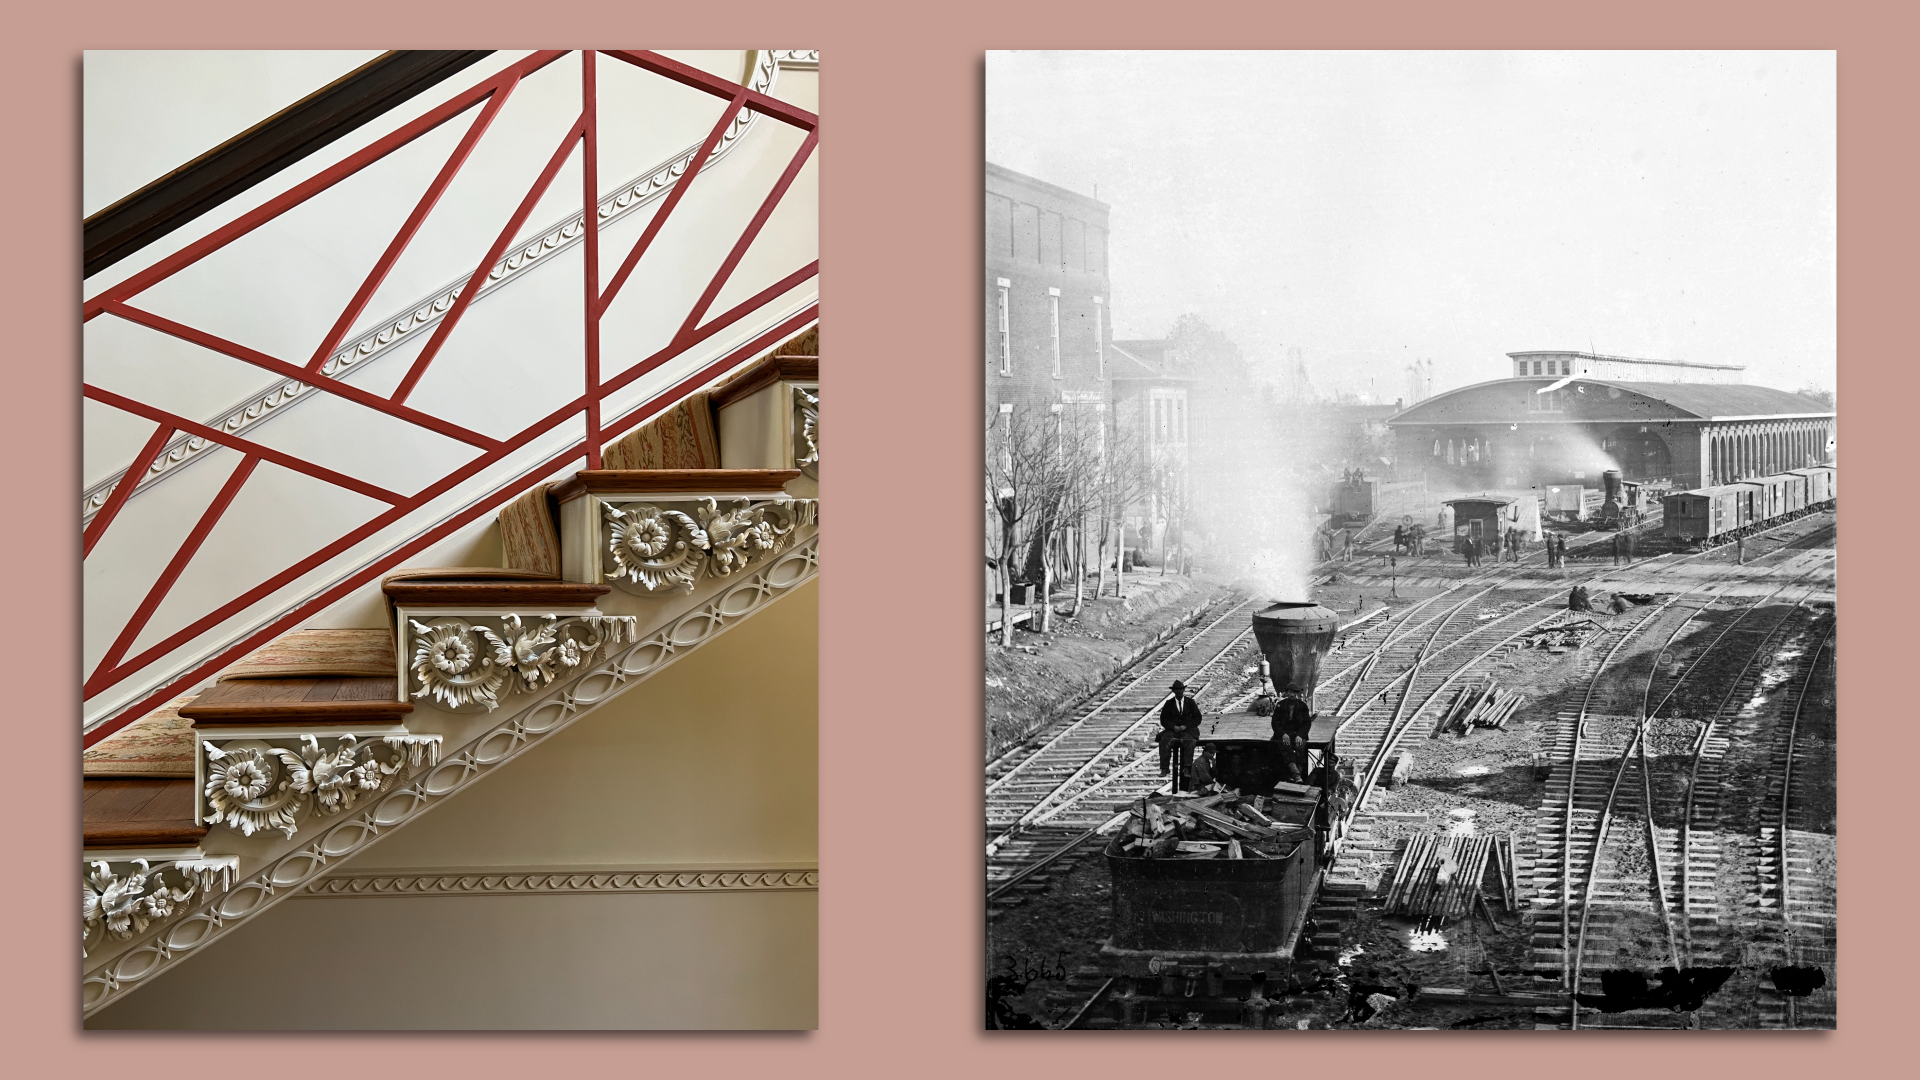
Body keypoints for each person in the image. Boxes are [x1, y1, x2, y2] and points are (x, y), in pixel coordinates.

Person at [1157, 680, 1204, 792]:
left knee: (1190, 741)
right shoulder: (1169, 703)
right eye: (1177, 690)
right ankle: (1164, 768)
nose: (1179, 692)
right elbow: (1164, 720)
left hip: (1187, 729)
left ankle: (1187, 768)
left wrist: (1186, 726)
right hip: (1173, 730)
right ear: (1173, 691)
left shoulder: (1190, 702)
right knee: (1164, 740)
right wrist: (1173, 726)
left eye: (1181, 689)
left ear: (1183, 690)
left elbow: (1197, 718)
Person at [1269, 694, 1312, 786]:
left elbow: (1307, 723)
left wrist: (1300, 735)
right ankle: (1296, 776)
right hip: (1284, 733)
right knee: (1286, 749)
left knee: (1300, 749)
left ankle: (1297, 776)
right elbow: (1275, 722)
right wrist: (1283, 734)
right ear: (1287, 693)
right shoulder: (1280, 705)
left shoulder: (1302, 705)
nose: (1292, 694)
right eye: (1290, 692)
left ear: (1296, 694)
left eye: (1294, 692)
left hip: (1298, 733)